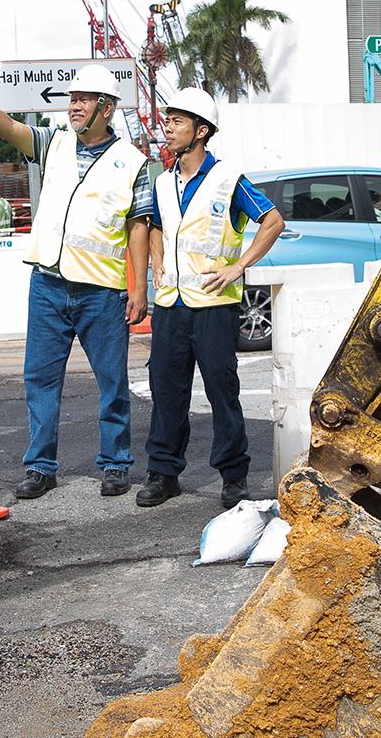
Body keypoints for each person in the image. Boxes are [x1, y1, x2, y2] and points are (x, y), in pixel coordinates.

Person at [0, 57, 152, 499]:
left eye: (81, 100)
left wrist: (139, 287)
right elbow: (5, 126)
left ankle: (115, 463)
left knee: (112, 384)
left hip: (102, 293)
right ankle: (40, 466)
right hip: (49, 285)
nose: (72, 107)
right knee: (39, 380)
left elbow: (138, 226)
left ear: (105, 108)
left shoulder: (134, 162)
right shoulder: (53, 144)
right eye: (70, 100)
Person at [139, 88, 284, 509]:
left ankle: (233, 477)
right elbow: (156, 225)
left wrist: (238, 267)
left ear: (201, 131)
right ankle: (163, 473)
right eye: (168, 121)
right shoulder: (163, 181)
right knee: (166, 390)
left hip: (214, 305)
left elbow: (272, 221)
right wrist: (157, 260)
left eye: (177, 122)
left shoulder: (228, 179)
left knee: (222, 391)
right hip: (170, 305)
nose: (168, 128)